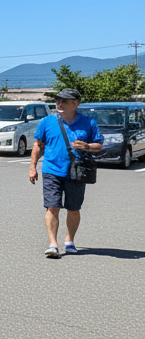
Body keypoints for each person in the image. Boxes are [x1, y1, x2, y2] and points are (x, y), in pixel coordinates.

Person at [28, 88, 103, 258]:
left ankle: (69, 240)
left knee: (73, 208)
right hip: (51, 170)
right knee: (52, 206)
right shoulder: (47, 121)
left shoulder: (88, 122)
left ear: (75, 104)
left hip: (76, 170)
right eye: (57, 100)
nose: (59, 104)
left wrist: (87, 146)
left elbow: (98, 145)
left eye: (64, 101)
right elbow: (38, 145)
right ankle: (53, 244)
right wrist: (33, 167)